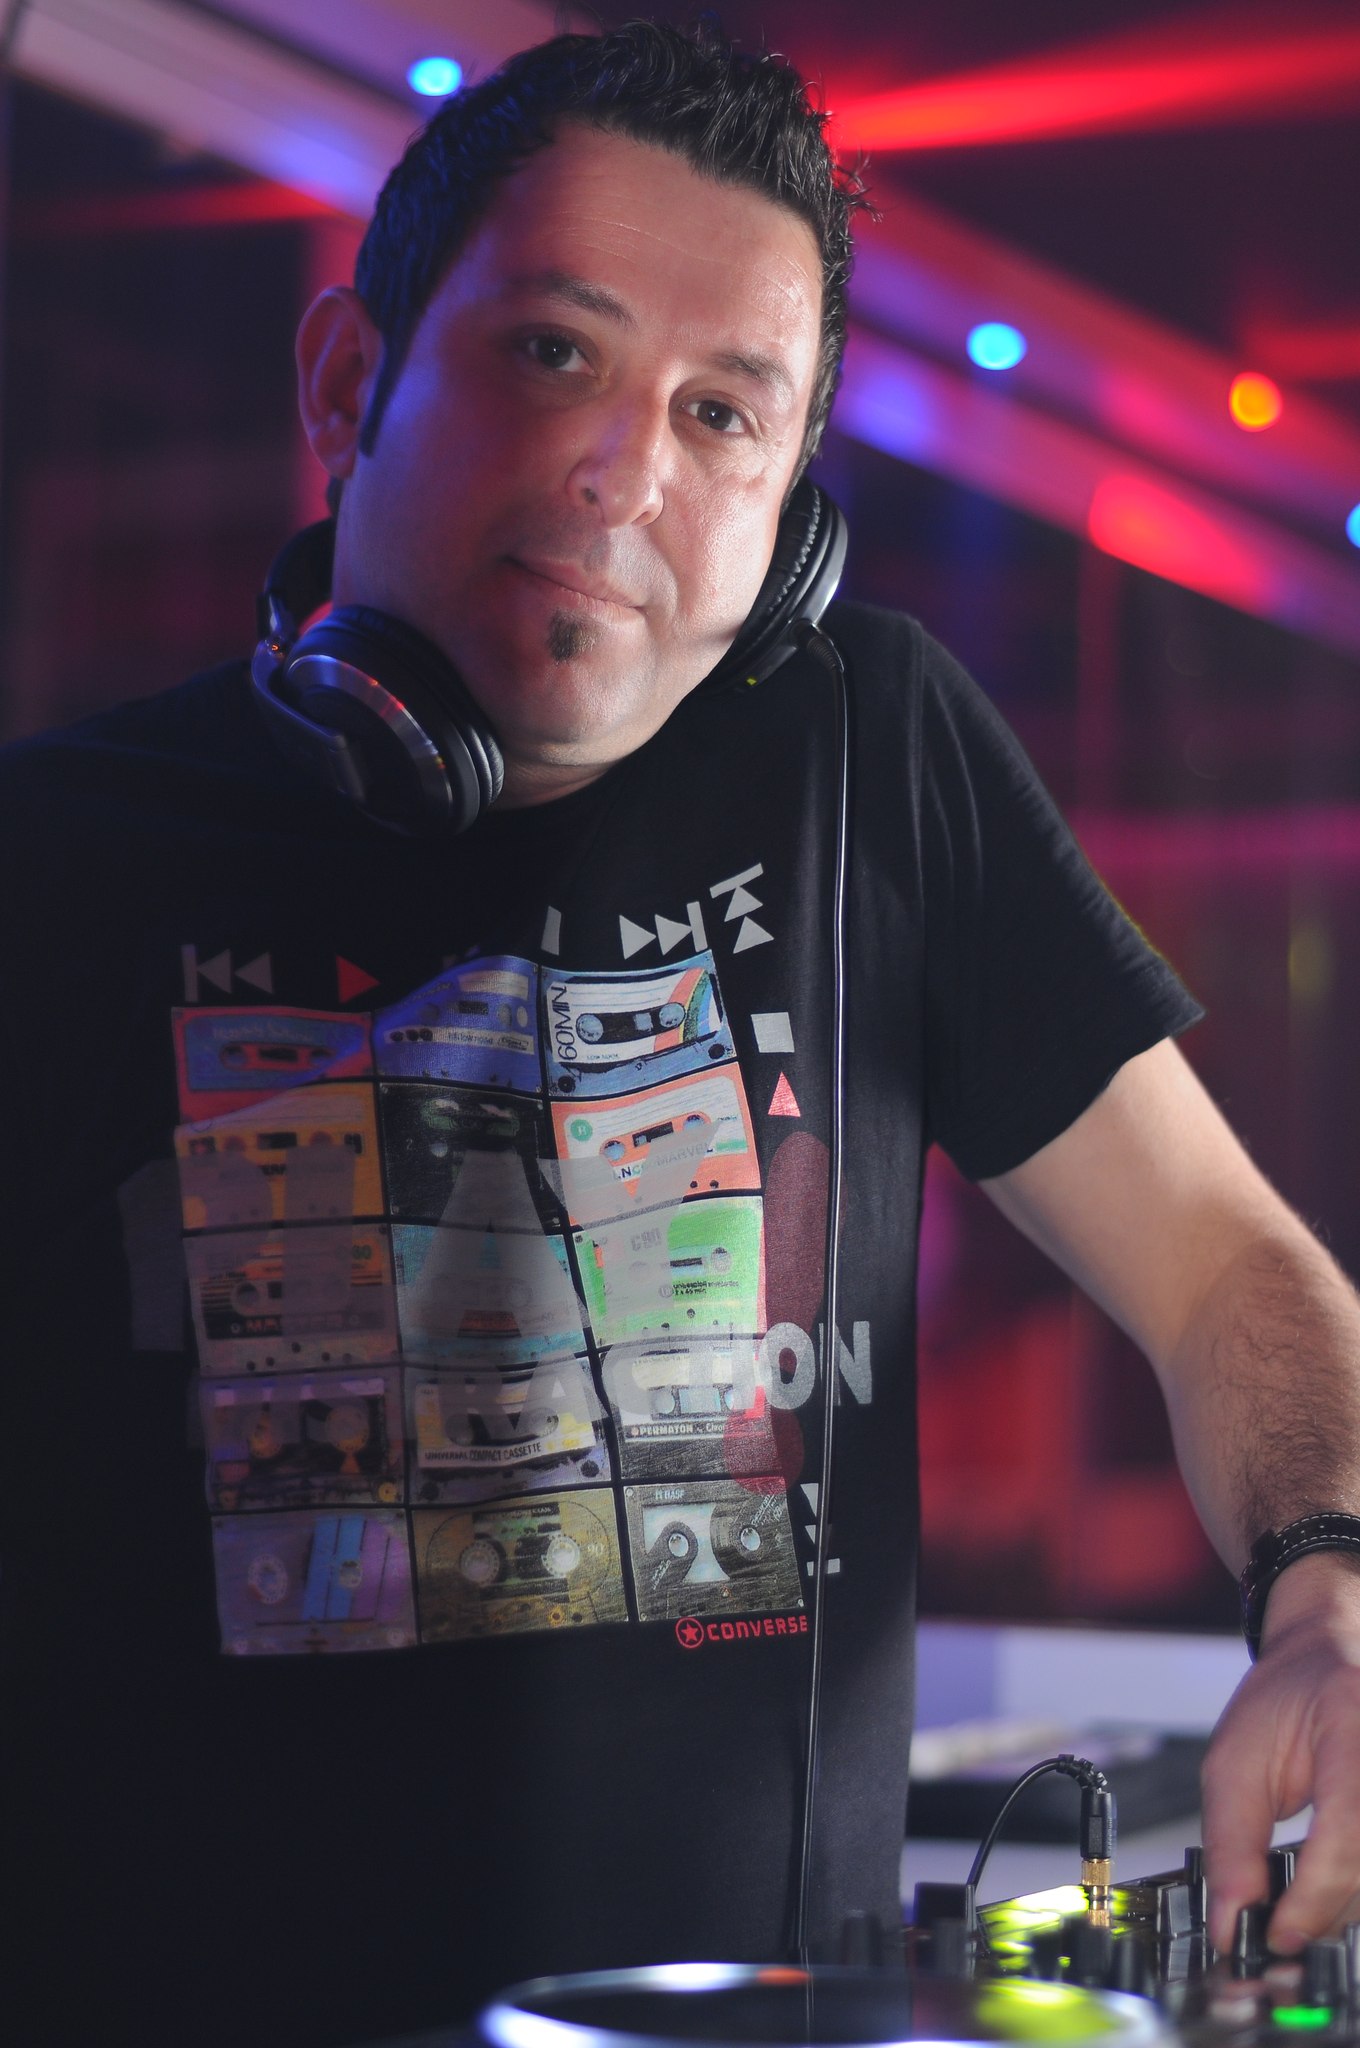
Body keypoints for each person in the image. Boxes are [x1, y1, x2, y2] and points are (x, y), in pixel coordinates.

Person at [3, 20, 1360, 2047]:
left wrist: (1325, 1597)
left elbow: (1226, 1266)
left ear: (788, 516)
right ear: (348, 381)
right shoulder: (53, 857)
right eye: (554, 351)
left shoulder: (874, 756)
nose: (624, 472)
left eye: (723, 412)